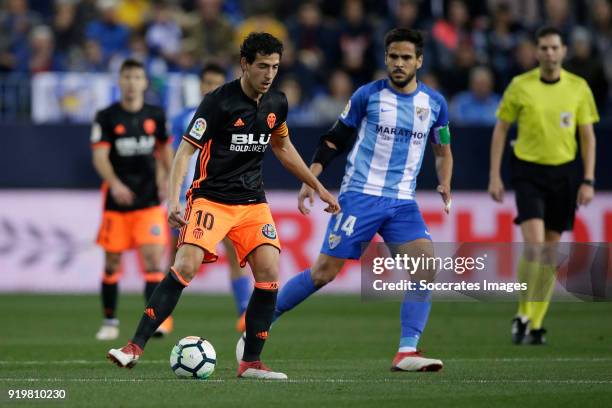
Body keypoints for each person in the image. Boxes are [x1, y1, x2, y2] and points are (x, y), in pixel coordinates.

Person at [107, 32, 340, 380]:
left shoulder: (277, 102)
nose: (269, 74)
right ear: (245, 64)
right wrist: (173, 199)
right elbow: (185, 151)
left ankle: (251, 363)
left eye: (275, 67)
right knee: (185, 264)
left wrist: (315, 184)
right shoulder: (218, 102)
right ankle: (133, 347)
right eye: (262, 66)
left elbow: (283, 147)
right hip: (211, 198)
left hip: (252, 202)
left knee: (269, 271)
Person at [246, 28, 453, 372]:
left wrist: (444, 181)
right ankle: (257, 324)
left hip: (402, 201)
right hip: (360, 197)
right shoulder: (366, 96)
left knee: (425, 268)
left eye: (406, 58)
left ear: (419, 61)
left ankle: (406, 351)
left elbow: (443, 150)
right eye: (393, 57)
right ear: (386, 58)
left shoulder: (434, 104)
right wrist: (310, 179)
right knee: (323, 273)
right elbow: (335, 140)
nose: (399, 64)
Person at [488, 26, 598, 345]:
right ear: (536, 52)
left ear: (564, 51)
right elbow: (501, 130)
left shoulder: (578, 88)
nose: (549, 53)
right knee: (535, 246)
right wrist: (495, 175)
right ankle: (524, 312)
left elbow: (587, 136)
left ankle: (534, 322)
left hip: (564, 173)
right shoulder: (520, 86)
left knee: (550, 252)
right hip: (528, 171)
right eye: (544, 48)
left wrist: (588, 179)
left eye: (554, 48)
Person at [92, 58, 174, 341]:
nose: (131, 82)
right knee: (112, 264)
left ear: (144, 82)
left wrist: (166, 178)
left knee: (153, 262)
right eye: (126, 77)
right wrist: (114, 183)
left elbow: (165, 152)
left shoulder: (156, 115)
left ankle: (156, 322)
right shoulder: (106, 117)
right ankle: (110, 321)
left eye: (137, 77)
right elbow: (100, 156)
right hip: (117, 203)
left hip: (149, 202)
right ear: (120, 81)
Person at [169, 62, 251, 332]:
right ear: (201, 85)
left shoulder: (233, 113)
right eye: (207, 82)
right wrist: (172, 194)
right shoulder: (185, 117)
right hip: (186, 196)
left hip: (220, 195)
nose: (211, 88)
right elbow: (176, 155)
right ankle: (165, 314)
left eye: (216, 82)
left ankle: (244, 312)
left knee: (232, 250)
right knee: (175, 256)